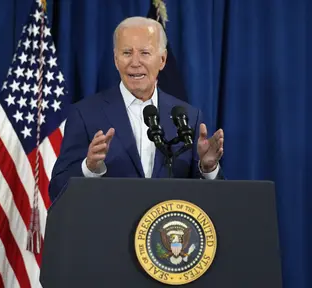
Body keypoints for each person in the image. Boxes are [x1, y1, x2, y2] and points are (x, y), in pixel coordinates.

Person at [49, 16, 225, 202]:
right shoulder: (85, 114)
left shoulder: (187, 117)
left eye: (144, 53)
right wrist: (89, 167)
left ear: (162, 59)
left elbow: (212, 200)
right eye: (126, 53)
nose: (135, 62)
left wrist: (208, 169)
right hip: (110, 228)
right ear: (116, 60)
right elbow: (57, 189)